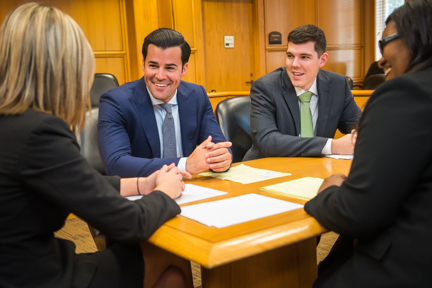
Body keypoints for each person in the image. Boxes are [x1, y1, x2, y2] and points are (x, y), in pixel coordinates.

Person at [0, 3, 191, 288]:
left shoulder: (12, 124)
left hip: (18, 266)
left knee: (171, 276)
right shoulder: (39, 132)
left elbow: (77, 184)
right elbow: (129, 223)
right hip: (37, 277)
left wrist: (142, 184)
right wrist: (165, 191)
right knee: (168, 253)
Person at [305, 0, 432, 286]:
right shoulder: (267, 86)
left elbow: (357, 213)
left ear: (418, 35)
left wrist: (328, 191)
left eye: (385, 41)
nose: (382, 62)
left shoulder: (404, 91)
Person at [97, 28, 232, 178]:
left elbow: (220, 147)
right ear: (143, 64)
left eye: (170, 68)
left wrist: (222, 159)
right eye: (153, 66)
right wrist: (185, 164)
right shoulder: (116, 102)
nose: (160, 76)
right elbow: (115, 165)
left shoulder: (197, 95)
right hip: (141, 192)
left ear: (184, 69)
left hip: (190, 188)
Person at [243, 24, 361, 161]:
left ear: (322, 60)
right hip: (267, 171)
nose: (294, 64)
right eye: (290, 56)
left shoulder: (338, 85)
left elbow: (361, 128)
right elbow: (267, 141)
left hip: (315, 169)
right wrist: (332, 146)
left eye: (304, 57)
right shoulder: (265, 87)